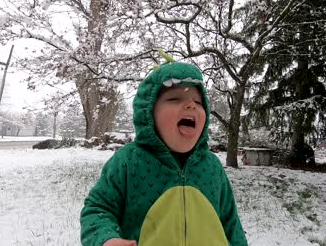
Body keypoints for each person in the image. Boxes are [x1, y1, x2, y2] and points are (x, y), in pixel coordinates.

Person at [80, 59, 248, 246]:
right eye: (175, 99)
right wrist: (106, 238)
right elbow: (98, 209)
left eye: (198, 102)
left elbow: (230, 223)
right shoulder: (128, 161)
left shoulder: (212, 167)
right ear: (149, 112)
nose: (191, 105)